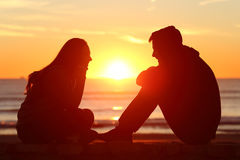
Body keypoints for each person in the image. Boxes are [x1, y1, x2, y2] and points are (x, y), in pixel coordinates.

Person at [101, 26, 221, 145]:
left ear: (167, 48)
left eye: (156, 49)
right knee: (155, 80)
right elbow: (141, 79)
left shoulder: (184, 65)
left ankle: (123, 132)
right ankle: (123, 131)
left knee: (154, 83)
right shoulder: (186, 60)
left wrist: (153, 74)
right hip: (201, 130)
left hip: (197, 131)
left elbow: (143, 79)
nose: (154, 54)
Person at [16, 38, 97, 144]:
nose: (90, 59)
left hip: (40, 124)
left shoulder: (63, 73)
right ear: (75, 56)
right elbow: (72, 105)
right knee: (85, 116)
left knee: (86, 116)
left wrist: (81, 75)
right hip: (31, 129)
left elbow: (68, 108)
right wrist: (82, 76)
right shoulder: (56, 73)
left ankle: (72, 137)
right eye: (86, 54)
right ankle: (73, 137)